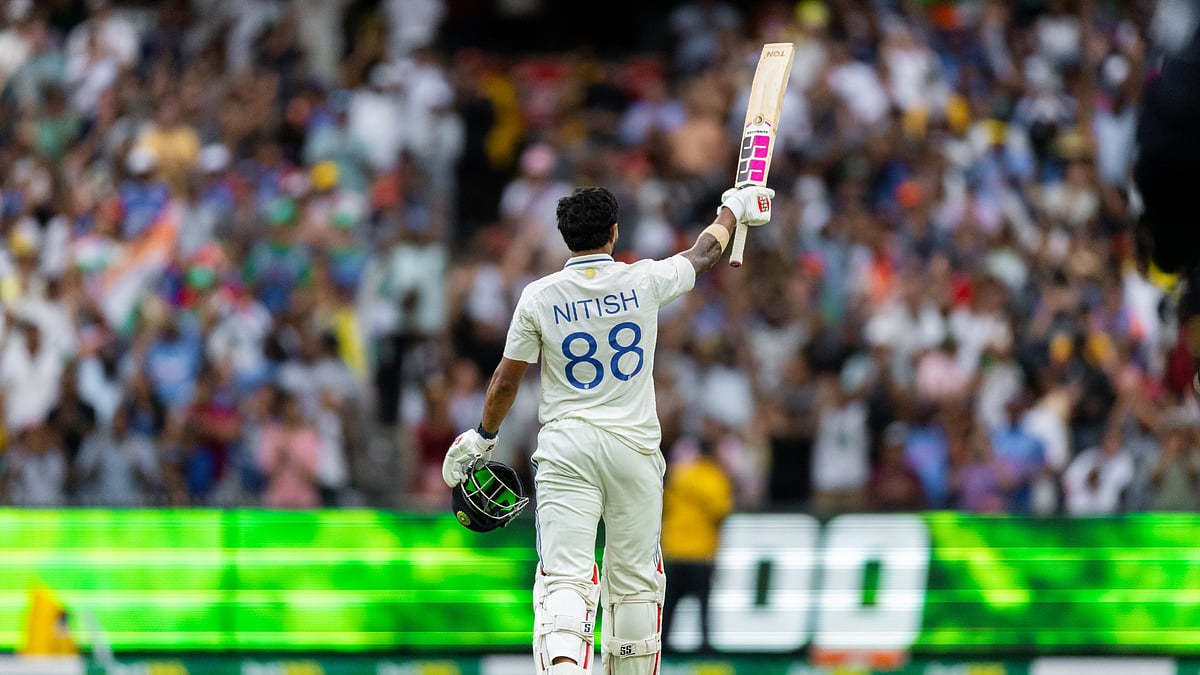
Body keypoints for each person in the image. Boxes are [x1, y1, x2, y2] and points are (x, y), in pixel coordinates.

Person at [441, 184, 773, 675]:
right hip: (635, 451)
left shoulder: (540, 296)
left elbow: (506, 380)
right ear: (614, 232)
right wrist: (733, 210)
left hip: (567, 447)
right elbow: (704, 253)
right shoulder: (644, 280)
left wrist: (483, 436)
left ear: (564, 238)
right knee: (636, 583)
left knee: (566, 580)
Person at [659, 416, 734, 654]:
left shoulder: (680, 475)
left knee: (670, 603)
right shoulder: (717, 478)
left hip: (675, 547)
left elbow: (663, 505)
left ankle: (664, 643)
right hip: (701, 552)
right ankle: (704, 645)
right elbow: (720, 513)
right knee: (703, 604)